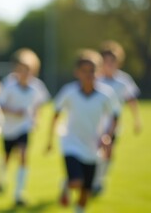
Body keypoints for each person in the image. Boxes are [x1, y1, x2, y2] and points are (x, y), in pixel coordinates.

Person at [45, 49, 120, 213]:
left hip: (93, 146)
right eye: (84, 71)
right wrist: (50, 140)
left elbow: (115, 116)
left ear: (99, 71)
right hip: (70, 142)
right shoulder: (69, 91)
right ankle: (68, 184)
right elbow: (56, 113)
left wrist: (108, 136)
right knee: (76, 182)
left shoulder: (105, 94)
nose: (88, 75)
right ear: (77, 72)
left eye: (92, 71)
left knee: (86, 191)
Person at [0, 48, 50, 206]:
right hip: (8, 127)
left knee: (24, 156)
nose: (25, 73)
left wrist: (36, 118)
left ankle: (19, 194)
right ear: (16, 69)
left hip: (24, 127)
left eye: (28, 70)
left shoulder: (37, 86)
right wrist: (14, 111)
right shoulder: (9, 84)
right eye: (21, 69)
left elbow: (38, 104)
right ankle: (2, 177)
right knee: (7, 157)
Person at [92, 40, 142, 195]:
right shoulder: (95, 78)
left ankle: (99, 180)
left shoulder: (123, 80)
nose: (108, 64)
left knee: (108, 151)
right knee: (93, 152)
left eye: (112, 61)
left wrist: (137, 120)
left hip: (113, 124)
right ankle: (91, 179)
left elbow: (131, 100)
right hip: (95, 123)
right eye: (105, 61)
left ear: (118, 62)